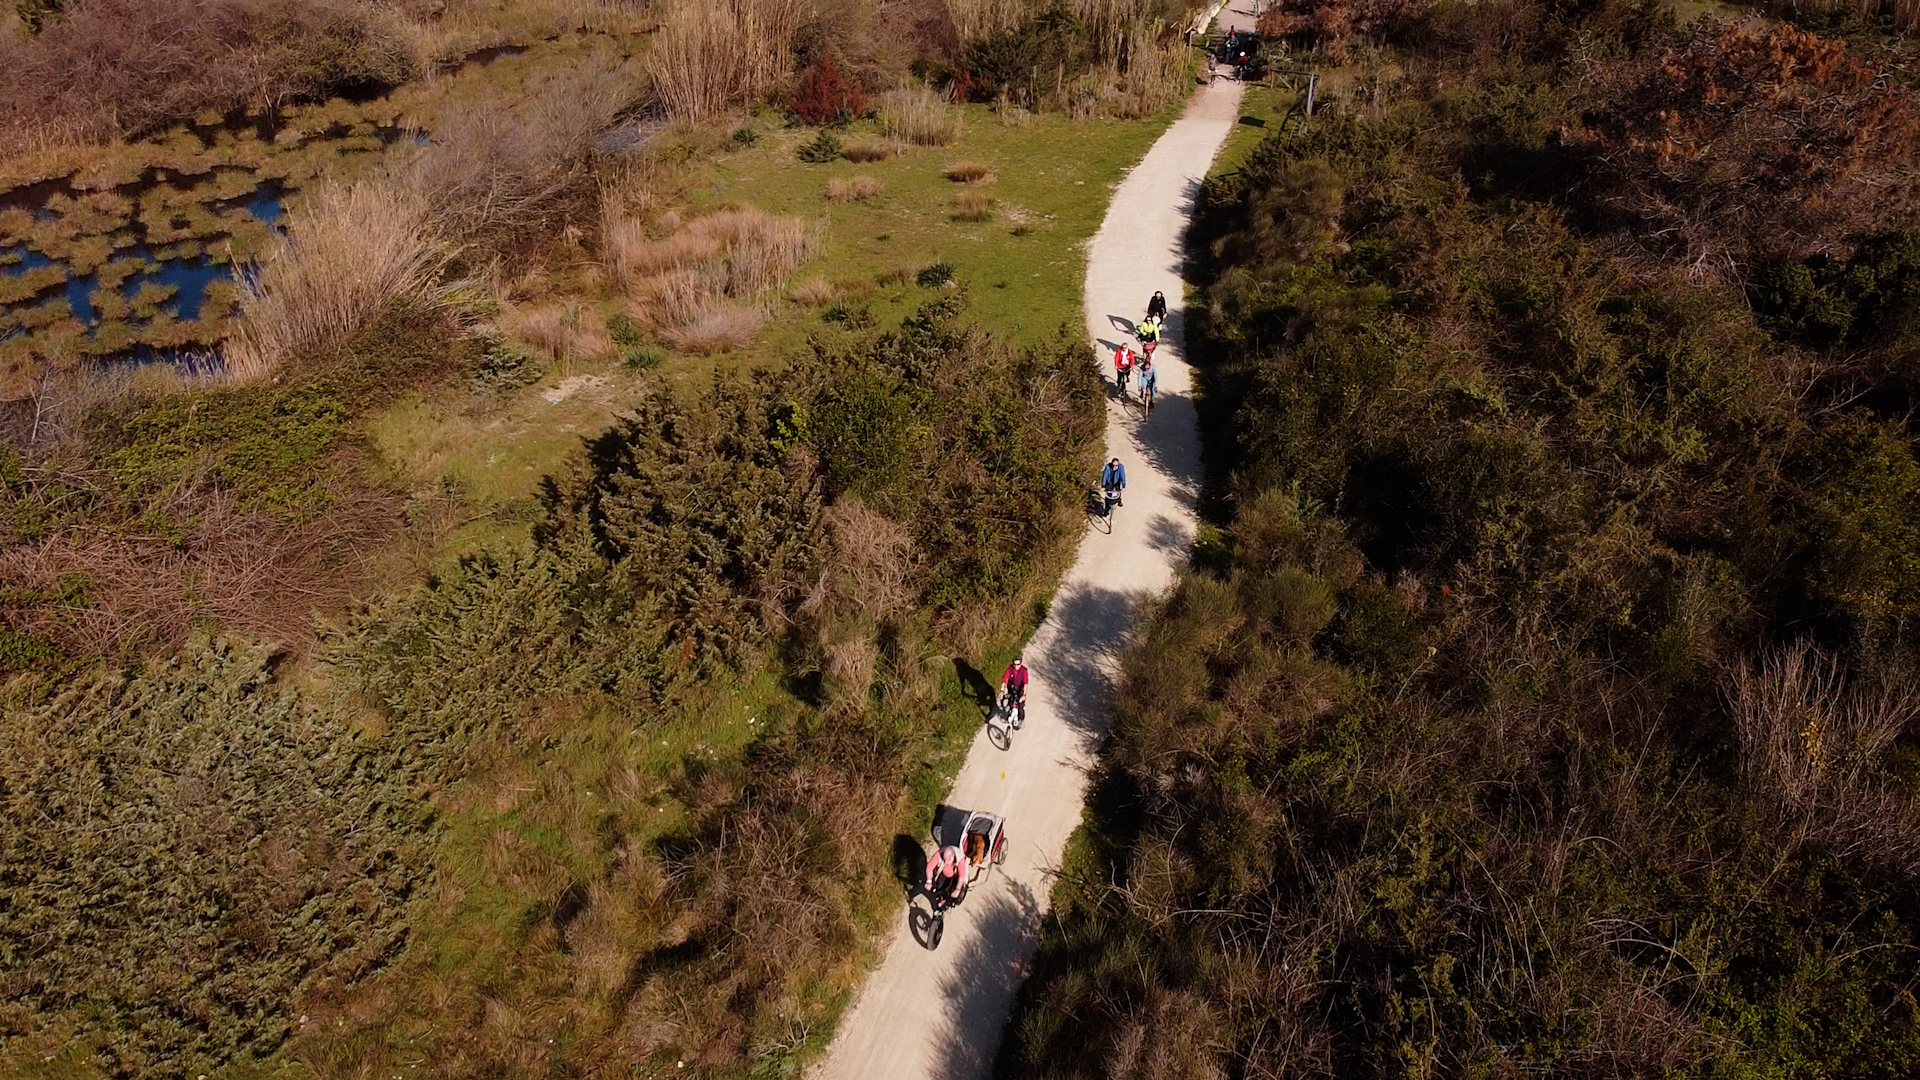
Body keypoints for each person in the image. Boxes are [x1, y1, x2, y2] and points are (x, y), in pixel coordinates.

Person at [999, 655, 1029, 729]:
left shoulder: (1024, 671)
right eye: (1014, 664)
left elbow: (1025, 683)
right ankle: (1011, 711)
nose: (1016, 666)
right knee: (1011, 702)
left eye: (1018, 664)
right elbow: (1004, 679)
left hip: (1020, 690)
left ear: (1021, 664)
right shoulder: (1010, 669)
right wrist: (1002, 690)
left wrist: (1024, 694)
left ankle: (1020, 719)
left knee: (1020, 705)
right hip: (1011, 689)